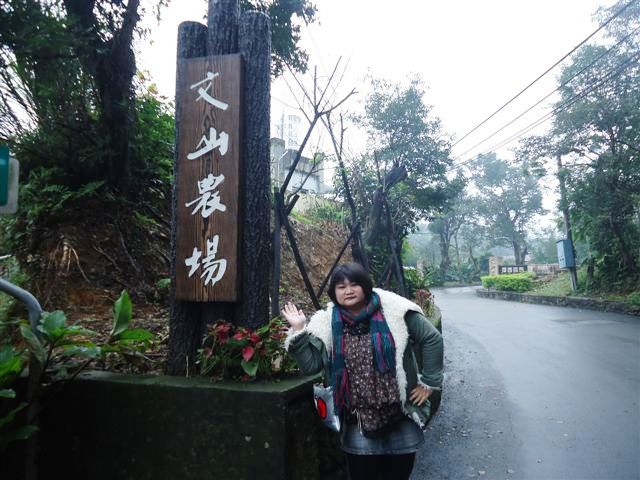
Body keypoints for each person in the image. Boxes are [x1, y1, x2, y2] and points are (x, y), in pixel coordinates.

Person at [282, 262, 444, 480]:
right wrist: (299, 329)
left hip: (400, 413)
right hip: (356, 418)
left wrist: (430, 382)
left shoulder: (395, 310)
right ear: (334, 293)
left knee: (398, 474)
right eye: (341, 287)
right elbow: (311, 366)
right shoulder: (326, 322)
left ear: (365, 286)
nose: (348, 291)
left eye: (354, 284)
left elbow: (432, 338)